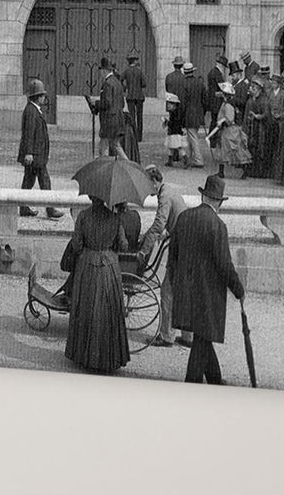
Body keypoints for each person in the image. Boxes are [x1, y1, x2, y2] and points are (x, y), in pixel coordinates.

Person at [169, 175, 245, 384]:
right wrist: (238, 289)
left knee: (202, 337)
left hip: (185, 290)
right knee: (202, 339)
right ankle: (192, 383)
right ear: (219, 202)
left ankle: (215, 379)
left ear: (203, 195)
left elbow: (172, 257)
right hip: (207, 295)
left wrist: (176, 283)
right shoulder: (217, 225)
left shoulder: (184, 218)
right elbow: (224, 264)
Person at [60, 195, 131, 375]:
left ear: (91, 197)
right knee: (109, 311)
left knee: (87, 309)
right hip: (109, 268)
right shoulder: (115, 218)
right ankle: (109, 357)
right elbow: (123, 246)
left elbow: (76, 245)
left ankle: (84, 356)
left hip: (88, 267)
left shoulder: (83, 216)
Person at [140, 166, 183, 347]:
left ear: (155, 182)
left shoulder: (164, 196)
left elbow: (159, 224)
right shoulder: (169, 191)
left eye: (148, 185)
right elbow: (169, 220)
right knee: (181, 290)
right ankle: (187, 336)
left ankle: (166, 336)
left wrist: (143, 249)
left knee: (168, 291)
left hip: (181, 243)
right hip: (183, 238)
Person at [17, 79, 60, 218]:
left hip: (37, 154)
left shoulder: (33, 110)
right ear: (37, 96)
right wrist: (29, 153)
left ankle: (24, 207)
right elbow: (28, 134)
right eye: (42, 95)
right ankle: (50, 209)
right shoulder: (31, 111)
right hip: (35, 155)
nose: (43, 98)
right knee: (44, 181)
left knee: (29, 181)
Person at [210, 82, 252, 178]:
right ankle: (222, 171)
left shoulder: (228, 105)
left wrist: (221, 123)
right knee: (225, 150)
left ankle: (244, 170)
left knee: (232, 150)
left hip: (229, 131)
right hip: (229, 130)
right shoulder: (228, 102)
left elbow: (229, 119)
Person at [94, 56, 127, 158]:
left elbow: (107, 103)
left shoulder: (107, 83)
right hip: (118, 119)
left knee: (103, 149)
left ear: (104, 70)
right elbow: (122, 103)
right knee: (116, 145)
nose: (100, 73)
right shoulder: (117, 83)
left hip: (109, 121)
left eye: (101, 70)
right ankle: (129, 164)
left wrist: (95, 103)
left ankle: (103, 169)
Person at [181, 61, 211, 170]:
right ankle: (190, 158)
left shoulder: (184, 84)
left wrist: (182, 115)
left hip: (189, 114)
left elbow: (183, 102)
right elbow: (205, 99)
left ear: (185, 72)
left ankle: (198, 160)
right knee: (191, 137)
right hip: (198, 113)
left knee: (193, 138)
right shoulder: (200, 83)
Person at [163, 55, 188, 167]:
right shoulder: (184, 78)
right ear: (182, 65)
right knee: (178, 132)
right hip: (182, 107)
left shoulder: (169, 77)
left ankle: (178, 157)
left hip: (172, 107)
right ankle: (174, 157)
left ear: (174, 65)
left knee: (171, 133)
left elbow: (167, 90)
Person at [122, 53, 146, 163]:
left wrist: (125, 88)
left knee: (132, 117)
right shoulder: (139, 71)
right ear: (134, 61)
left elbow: (121, 79)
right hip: (139, 96)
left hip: (130, 95)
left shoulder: (126, 71)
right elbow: (144, 84)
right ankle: (140, 136)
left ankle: (134, 135)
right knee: (139, 117)